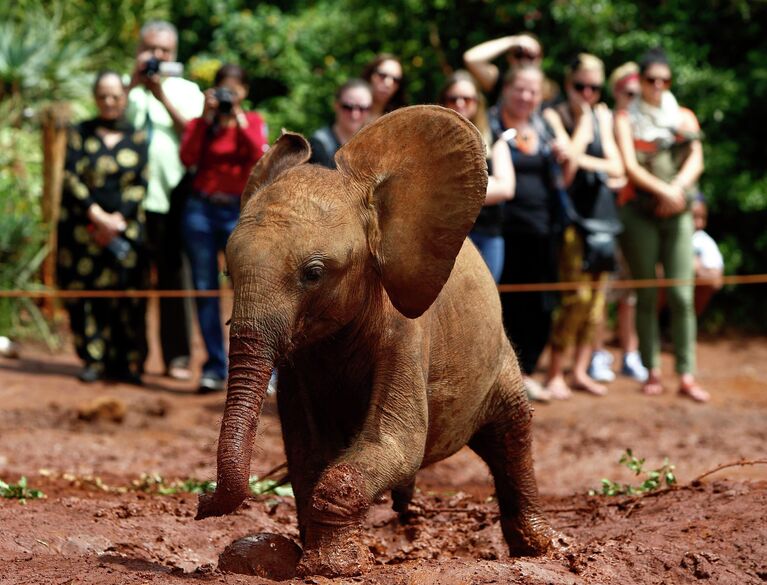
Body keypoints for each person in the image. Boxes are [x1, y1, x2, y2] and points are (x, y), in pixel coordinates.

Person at [614, 48, 709, 402]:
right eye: (651, 79)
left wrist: (678, 191)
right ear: (640, 81)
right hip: (639, 212)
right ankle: (651, 369)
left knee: (683, 294)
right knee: (648, 292)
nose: (657, 86)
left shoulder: (683, 116)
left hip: (679, 212)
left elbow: (696, 158)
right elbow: (630, 166)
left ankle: (686, 374)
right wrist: (665, 192)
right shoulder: (626, 117)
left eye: (664, 80)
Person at [179, 64, 269, 393]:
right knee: (205, 288)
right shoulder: (202, 125)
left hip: (237, 212)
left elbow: (259, 154)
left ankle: (255, 369)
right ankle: (215, 366)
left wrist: (239, 118)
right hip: (200, 210)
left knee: (247, 289)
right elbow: (187, 157)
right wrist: (206, 119)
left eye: (235, 90)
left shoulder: (254, 122)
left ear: (244, 92)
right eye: (223, 90)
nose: (229, 96)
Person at [57, 71, 149, 384]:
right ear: (95, 98)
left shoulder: (137, 136)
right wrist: (97, 216)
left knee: (127, 295)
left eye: (115, 96)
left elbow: (140, 183)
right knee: (87, 296)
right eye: (103, 96)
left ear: (124, 98)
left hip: (125, 231)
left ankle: (125, 363)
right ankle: (92, 361)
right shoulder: (80, 132)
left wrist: (117, 221)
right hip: (85, 230)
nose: (109, 102)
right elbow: (70, 176)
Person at [542, 54, 625, 398]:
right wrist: (587, 129)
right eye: (581, 87)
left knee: (596, 304)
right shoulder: (554, 114)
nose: (588, 93)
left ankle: (580, 370)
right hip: (573, 221)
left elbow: (618, 166)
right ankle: (555, 374)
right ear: (568, 84)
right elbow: (568, 172)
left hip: (603, 221)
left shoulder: (602, 114)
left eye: (594, 87)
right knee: (576, 298)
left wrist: (585, 151)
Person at [126, 20, 204, 381]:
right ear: (139, 49)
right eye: (151, 49)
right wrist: (133, 83)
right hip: (132, 199)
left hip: (175, 196)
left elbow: (194, 134)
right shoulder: (127, 89)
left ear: (174, 54)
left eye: (164, 51)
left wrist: (161, 95)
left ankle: (177, 357)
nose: (157, 56)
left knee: (175, 278)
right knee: (133, 277)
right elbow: (112, 122)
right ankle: (133, 355)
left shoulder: (188, 90)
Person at [490, 65, 572, 402]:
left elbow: (562, 181)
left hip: (543, 229)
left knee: (539, 304)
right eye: (520, 89)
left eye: (533, 91)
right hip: (503, 229)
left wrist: (567, 160)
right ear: (506, 89)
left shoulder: (545, 127)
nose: (526, 97)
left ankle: (525, 373)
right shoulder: (491, 124)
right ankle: (503, 374)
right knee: (505, 302)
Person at [588, 61, 648, 384]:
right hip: (605, 218)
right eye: (628, 92)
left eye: (638, 93)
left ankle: (631, 353)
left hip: (635, 218)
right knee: (602, 289)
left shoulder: (645, 124)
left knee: (631, 292)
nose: (633, 97)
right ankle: (597, 353)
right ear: (616, 91)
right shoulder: (605, 120)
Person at [437, 70, 515, 282]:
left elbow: (507, 188)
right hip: (446, 237)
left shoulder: (494, 138)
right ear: (443, 101)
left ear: (477, 102)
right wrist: (486, 188)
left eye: (468, 98)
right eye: (453, 98)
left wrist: (454, 190)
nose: (460, 103)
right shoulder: (431, 142)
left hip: (488, 235)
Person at [463, 33, 558, 103]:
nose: (524, 60)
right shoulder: (500, 80)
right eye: (519, 54)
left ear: (540, 59)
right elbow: (470, 58)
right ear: (510, 58)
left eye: (530, 56)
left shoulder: (550, 89)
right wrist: (513, 41)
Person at [308, 78, 372, 169]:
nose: (355, 115)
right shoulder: (317, 145)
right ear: (336, 106)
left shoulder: (373, 147)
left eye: (362, 108)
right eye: (348, 107)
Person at [691, 195, 724, 316]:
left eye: (703, 218)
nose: (699, 223)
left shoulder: (704, 241)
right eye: (694, 217)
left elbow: (717, 282)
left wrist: (696, 269)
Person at [361, 54, 407, 121]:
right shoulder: (349, 110)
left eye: (396, 80)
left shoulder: (401, 121)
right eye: (382, 75)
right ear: (370, 75)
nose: (388, 83)